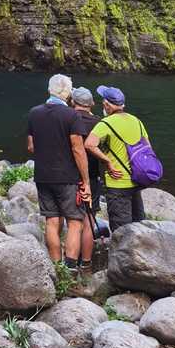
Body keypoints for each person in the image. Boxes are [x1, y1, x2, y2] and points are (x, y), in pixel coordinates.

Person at [27, 73, 91, 268]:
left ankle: (56, 268)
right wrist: (86, 181)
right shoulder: (72, 115)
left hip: (43, 175)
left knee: (52, 221)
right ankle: (70, 269)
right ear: (68, 93)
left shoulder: (34, 113)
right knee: (75, 222)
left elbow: (31, 147)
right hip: (67, 177)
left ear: (49, 90)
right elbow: (78, 149)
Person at [84, 84, 150, 231]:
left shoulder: (106, 123)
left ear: (107, 105)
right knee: (138, 227)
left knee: (121, 232)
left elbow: (89, 144)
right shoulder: (136, 121)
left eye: (103, 102)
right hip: (136, 181)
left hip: (117, 183)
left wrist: (107, 161)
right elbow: (148, 149)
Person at [71, 86, 101, 268]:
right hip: (92, 177)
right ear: (92, 104)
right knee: (89, 220)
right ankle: (87, 263)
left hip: (69, 177)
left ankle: (69, 262)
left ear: (73, 103)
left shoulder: (68, 120)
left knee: (72, 221)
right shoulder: (99, 123)